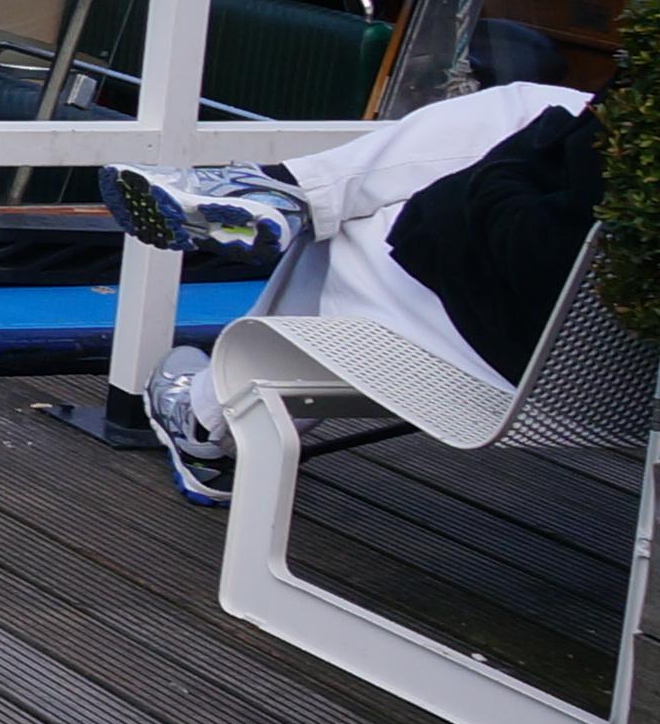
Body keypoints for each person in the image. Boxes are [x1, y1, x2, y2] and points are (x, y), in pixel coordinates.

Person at [107, 83, 602, 504]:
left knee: (347, 216)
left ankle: (210, 419)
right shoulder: (635, 156)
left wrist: (484, 181)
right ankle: (280, 193)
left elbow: (537, 245)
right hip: (619, 383)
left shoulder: (627, 136)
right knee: (538, 104)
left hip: (536, 372)